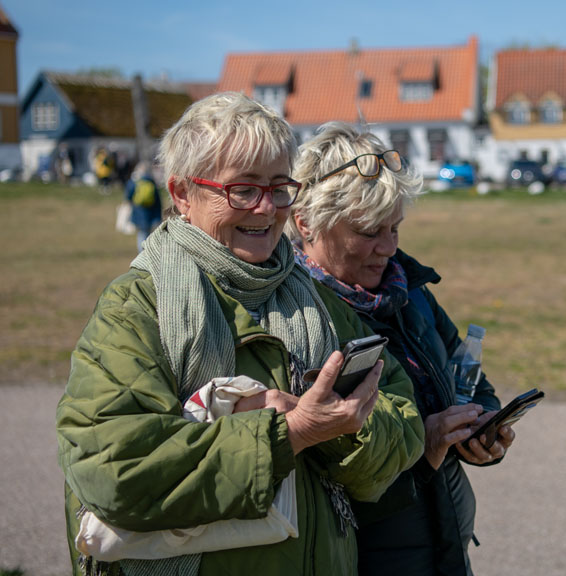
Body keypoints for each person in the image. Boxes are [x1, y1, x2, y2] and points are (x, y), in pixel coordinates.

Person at [56, 94, 424, 576]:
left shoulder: (316, 300)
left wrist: (338, 429)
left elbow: (404, 421)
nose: (266, 208)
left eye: (278, 187)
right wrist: (288, 434)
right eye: (243, 190)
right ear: (182, 194)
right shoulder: (136, 309)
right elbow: (112, 467)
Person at [288, 122, 515, 576]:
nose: (388, 248)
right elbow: (324, 475)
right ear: (307, 222)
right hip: (371, 558)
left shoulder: (407, 289)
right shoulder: (299, 319)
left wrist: (483, 427)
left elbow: (467, 376)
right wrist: (423, 446)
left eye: (395, 228)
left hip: (445, 543)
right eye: (370, 230)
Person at [124, 161, 163, 252]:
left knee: (142, 234)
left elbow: (128, 195)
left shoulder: (135, 183)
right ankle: (149, 252)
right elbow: (158, 201)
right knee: (150, 235)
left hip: (139, 213)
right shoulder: (152, 183)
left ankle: (142, 253)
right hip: (152, 214)